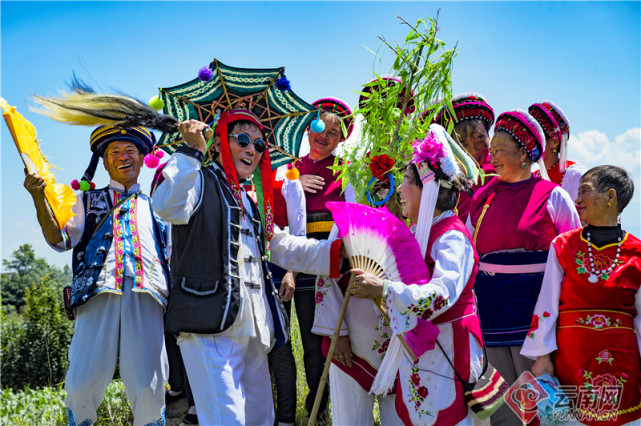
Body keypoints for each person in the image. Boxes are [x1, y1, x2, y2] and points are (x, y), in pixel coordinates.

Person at [152, 109, 343, 425]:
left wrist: (339, 254)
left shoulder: (251, 202)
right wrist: (190, 151)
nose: (252, 149)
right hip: (210, 328)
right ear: (216, 145)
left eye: (259, 144)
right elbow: (166, 206)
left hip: (255, 332)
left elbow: (281, 246)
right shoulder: (198, 180)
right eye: (242, 139)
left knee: (260, 421)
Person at [23, 125, 171, 426]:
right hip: (96, 293)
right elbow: (60, 240)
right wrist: (39, 199)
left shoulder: (160, 205)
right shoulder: (86, 201)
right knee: (80, 384)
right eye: (114, 152)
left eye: (130, 150)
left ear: (143, 158)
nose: (123, 157)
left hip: (148, 295)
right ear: (104, 163)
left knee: (149, 387)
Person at [350, 124, 485, 425]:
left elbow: (440, 295)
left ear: (430, 189)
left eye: (408, 181)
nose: (399, 189)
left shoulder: (452, 237)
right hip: (423, 352)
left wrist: (384, 289)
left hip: (449, 348)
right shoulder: (420, 234)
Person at [467, 110, 581, 425]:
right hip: (490, 312)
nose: (493, 157)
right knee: (502, 404)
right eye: (492, 151)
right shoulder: (482, 198)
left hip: (535, 313)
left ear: (524, 153)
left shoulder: (553, 196)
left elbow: (571, 257)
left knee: (538, 398)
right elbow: (468, 252)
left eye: (500, 150)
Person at [522, 166, 640, 425]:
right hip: (571, 361)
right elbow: (547, 303)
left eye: (584, 192)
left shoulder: (637, 252)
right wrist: (542, 356)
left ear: (610, 197)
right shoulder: (563, 245)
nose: (576, 201)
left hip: (622, 361)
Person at [291, 97, 356, 420]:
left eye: (334, 131)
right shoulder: (290, 168)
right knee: (310, 336)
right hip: (304, 258)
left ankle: (340, 401)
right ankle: (317, 403)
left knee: (339, 334)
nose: (325, 135)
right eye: (320, 126)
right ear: (308, 127)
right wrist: (294, 185)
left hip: (339, 258)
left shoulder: (347, 168)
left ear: (342, 139)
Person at [266, 165, 306, 426]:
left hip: (277, 272)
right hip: (240, 274)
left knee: (280, 344)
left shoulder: (287, 176)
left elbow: (298, 232)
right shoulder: (228, 175)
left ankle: (286, 419)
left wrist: (291, 272)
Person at [429, 92, 496, 223]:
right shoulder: (443, 181)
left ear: (489, 135)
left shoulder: (502, 172)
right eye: (463, 144)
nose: (473, 150)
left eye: (480, 139)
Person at [529, 100, 586, 201]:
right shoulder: (533, 176)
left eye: (536, 138)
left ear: (554, 142)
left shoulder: (576, 176)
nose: (528, 143)